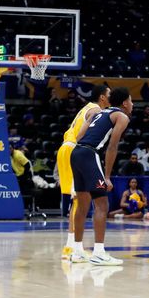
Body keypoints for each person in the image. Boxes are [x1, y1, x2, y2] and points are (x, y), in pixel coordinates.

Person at [70, 87, 133, 265]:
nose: (132, 104)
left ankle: (77, 252)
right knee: (102, 204)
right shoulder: (122, 116)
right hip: (90, 154)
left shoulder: (98, 113)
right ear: (124, 103)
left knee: (82, 205)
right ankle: (98, 252)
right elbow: (113, 146)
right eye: (131, 100)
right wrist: (107, 176)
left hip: (76, 153)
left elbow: (80, 135)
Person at [58, 84, 109, 261]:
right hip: (74, 148)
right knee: (80, 199)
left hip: (65, 148)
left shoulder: (86, 107)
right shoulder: (96, 110)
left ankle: (70, 245)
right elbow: (80, 136)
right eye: (108, 95)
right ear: (102, 97)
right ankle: (71, 248)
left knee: (76, 199)